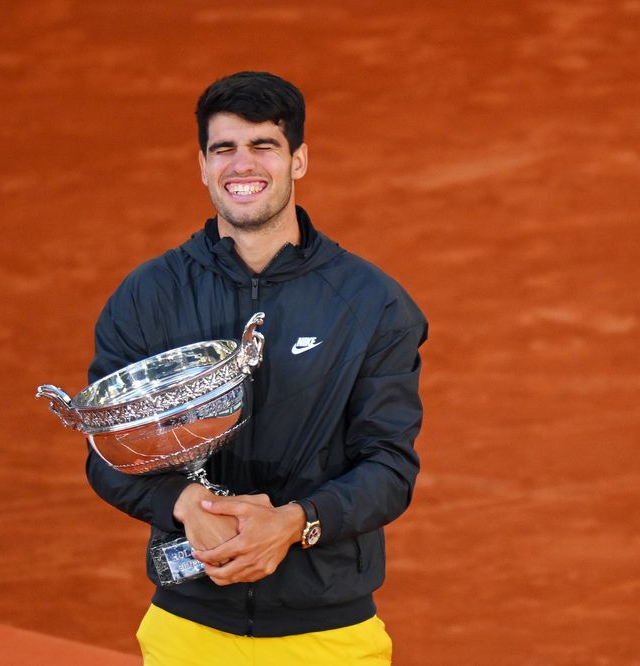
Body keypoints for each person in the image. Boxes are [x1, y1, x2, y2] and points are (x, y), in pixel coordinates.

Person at [85, 71, 427, 665]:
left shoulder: (373, 303)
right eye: (224, 149)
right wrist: (186, 504)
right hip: (188, 627)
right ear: (202, 165)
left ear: (298, 160)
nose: (242, 165)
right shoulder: (147, 296)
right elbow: (108, 450)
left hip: (328, 636)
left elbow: (390, 466)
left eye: (263, 145)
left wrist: (295, 523)